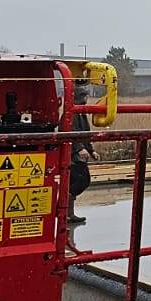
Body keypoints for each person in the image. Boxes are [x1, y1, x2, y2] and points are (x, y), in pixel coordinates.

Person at [67, 85, 96, 227]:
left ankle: (68, 213)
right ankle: (66, 212)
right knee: (81, 181)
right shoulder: (72, 114)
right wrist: (79, 149)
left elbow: (85, 134)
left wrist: (91, 150)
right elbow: (72, 132)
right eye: (85, 96)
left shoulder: (81, 113)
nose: (86, 99)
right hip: (73, 155)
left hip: (79, 153)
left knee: (76, 182)